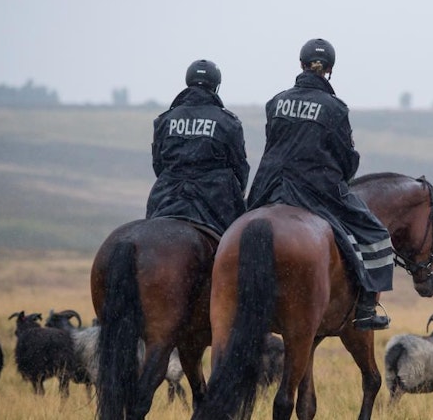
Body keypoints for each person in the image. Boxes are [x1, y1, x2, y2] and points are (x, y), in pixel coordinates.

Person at [246, 38, 394, 331]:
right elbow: (345, 156)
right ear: (329, 69)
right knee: (375, 232)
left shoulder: (275, 102)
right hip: (316, 188)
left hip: (269, 185)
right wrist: (344, 173)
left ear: (301, 64)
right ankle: (366, 308)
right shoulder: (334, 108)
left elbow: (273, 143)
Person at [146, 59, 250, 238]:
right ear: (215, 85)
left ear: (188, 81)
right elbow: (239, 166)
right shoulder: (228, 122)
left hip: (167, 195)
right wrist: (239, 191)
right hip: (215, 197)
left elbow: (158, 165)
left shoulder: (165, 120)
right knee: (236, 242)